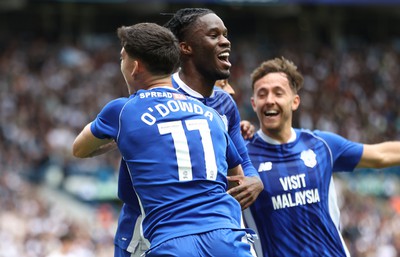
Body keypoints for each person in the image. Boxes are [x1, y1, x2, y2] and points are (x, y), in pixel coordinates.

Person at [72, 22, 254, 257]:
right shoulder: (211, 115)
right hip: (227, 238)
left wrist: (122, 136)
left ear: (135, 66)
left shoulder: (122, 111)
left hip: (172, 242)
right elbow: (237, 179)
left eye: (122, 58)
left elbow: (80, 149)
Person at [242, 56, 400, 257]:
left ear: (295, 101)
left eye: (278, 93)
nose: (270, 100)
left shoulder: (321, 145)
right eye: (262, 95)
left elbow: (380, 155)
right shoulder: (242, 156)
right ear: (254, 104)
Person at [164, 7, 263, 209]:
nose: (226, 41)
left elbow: (243, 161)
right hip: (165, 227)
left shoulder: (225, 104)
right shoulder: (160, 96)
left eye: (225, 35)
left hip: (215, 222)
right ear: (186, 47)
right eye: (213, 35)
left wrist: (254, 179)